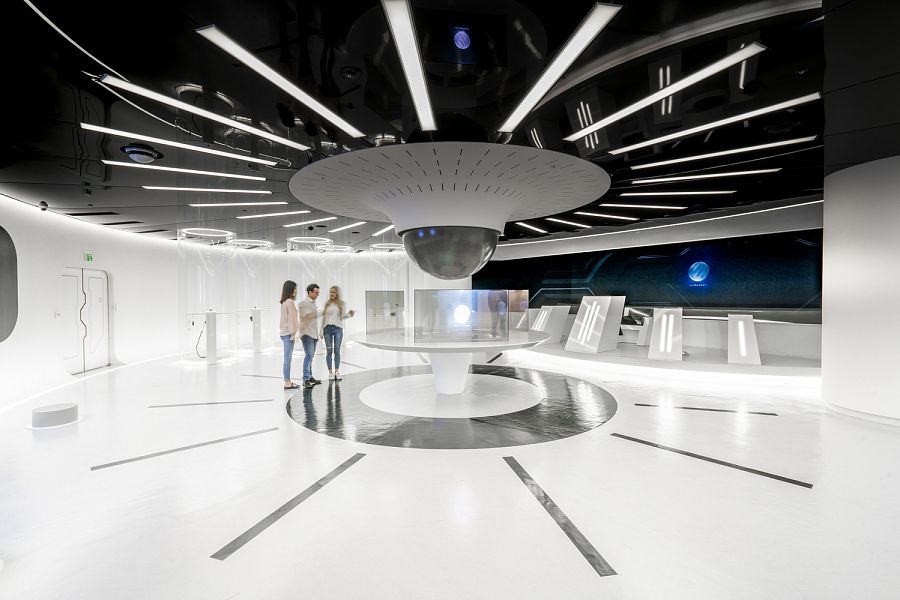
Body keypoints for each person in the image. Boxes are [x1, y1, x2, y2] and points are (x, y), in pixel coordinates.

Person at [321, 285, 355, 380]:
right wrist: (321, 331)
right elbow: (324, 318)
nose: (332, 294)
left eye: (334, 292)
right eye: (331, 292)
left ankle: (336, 371)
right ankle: (330, 373)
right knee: (329, 351)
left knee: (337, 350)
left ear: (337, 293)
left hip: (338, 329)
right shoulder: (327, 304)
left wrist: (350, 314)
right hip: (327, 329)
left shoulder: (342, 304)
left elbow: (343, 316)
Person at [297, 283, 322, 389]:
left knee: (311, 356)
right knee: (309, 356)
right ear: (310, 292)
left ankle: (310, 376)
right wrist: (322, 311)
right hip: (307, 333)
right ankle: (306, 379)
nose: (317, 294)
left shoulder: (313, 303)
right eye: (316, 292)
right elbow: (308, 316)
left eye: (318, 293)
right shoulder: (303, 303)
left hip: (313, 334)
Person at [278, 280, 300, 390]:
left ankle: (288, 381)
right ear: (290, 290)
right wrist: (293, 334)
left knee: (287, 359)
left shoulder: (284, 302)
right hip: (288, 334)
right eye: (294, 289)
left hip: (284, 333)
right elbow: (292, 319)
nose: (296, 291)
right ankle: (287, 382)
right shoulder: (290, 302)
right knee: (288, 359)